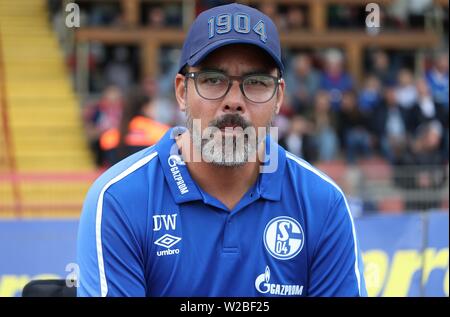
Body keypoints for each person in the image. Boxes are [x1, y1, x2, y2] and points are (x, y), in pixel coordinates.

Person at [77, 3, 367, 297]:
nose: (233, 101)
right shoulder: (120, 199)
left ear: (279, 97)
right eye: (213, 80)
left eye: (255, 83)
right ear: (182, 92)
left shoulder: (323, 203)